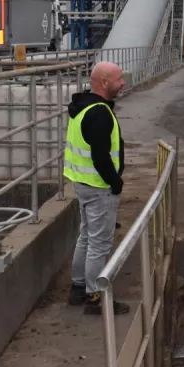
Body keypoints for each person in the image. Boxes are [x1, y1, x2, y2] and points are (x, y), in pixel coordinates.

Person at [65, 61, 130, 315]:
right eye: (119, 79)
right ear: (104, 82)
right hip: (99, 187)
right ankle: (95, 297)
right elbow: (101, 157)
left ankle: (78, 288)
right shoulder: (99, 113)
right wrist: (115, 182)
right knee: (100, 244)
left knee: (86, 237)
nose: (123, 82)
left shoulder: (82, 107)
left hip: (82, 183)